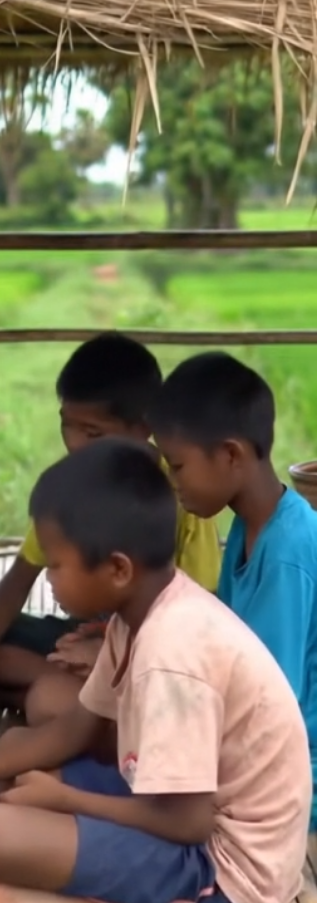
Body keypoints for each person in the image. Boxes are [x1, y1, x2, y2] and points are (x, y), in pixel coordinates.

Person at [0, 439, 311, 903]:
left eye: (56, 563)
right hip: (180, 811)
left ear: (117, 569)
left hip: (228, 865)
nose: (47, 578)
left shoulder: (173, 652)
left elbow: (189, 824)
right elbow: (76, 727)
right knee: (13, 759)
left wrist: (68, 800)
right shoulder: (139, 614)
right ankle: (78, 896)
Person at [0, 333, 221, 712]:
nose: (75, 444)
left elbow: (198, 616)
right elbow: (19, 578)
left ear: (144, 426)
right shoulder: (71, 486)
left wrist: (108, 645)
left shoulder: (179, 492)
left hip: (150, 649)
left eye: (93, 433)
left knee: (58, 693)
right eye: (67, 426)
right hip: (74, 641)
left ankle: (53, 695)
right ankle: (68, 695)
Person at [150, 351, 317, 827]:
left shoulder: (286, 551)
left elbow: (268, 710)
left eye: (178, 467)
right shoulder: (249, 526)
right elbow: (220, 634)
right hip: (259, 745)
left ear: (230, 455)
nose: (173, 483)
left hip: (291, 777)